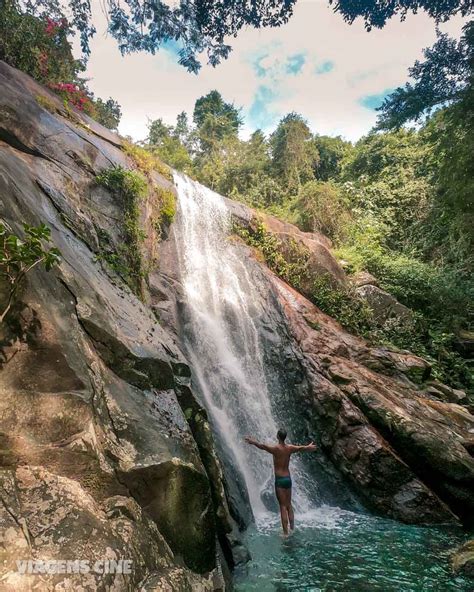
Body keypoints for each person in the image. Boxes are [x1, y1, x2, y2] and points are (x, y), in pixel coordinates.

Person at [244, 429, 317, 535]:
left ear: (278, 436)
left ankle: (285, 533)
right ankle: (292, 528)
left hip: (280, 480)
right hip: (288, 479)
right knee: (289, 505)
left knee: (282, 506)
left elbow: (262, 446)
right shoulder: (290, 448)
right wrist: (308, 447)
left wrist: (253, 441)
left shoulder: (275, 449)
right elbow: (301, 448)